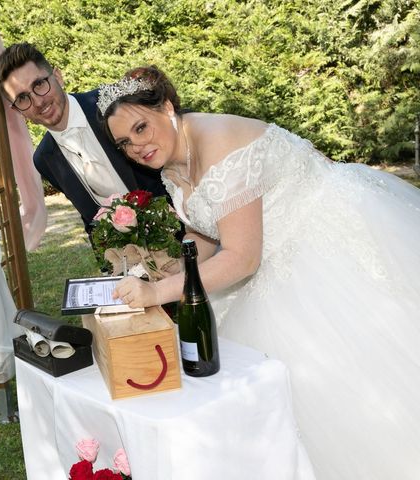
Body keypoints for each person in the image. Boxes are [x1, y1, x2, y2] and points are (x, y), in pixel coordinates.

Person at [102, 65, 420, 479]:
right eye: (125, 143)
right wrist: (172, 271)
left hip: (321, 236)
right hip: (265, 246)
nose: (137, 147)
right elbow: (205, 228)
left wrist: (155, 295)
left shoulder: (217, 143)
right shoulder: (170, 160)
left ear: (166, 106)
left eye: (141, 128)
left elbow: (241, 258)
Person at [0, 43, 172, 248]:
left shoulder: (112, 105)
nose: (38, 102)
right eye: (23, 98)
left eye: (39, 84)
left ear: (57, 76)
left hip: (186, 233)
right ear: (18, 111)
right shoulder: (44, 159)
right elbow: (92, 219)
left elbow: (172, 150)